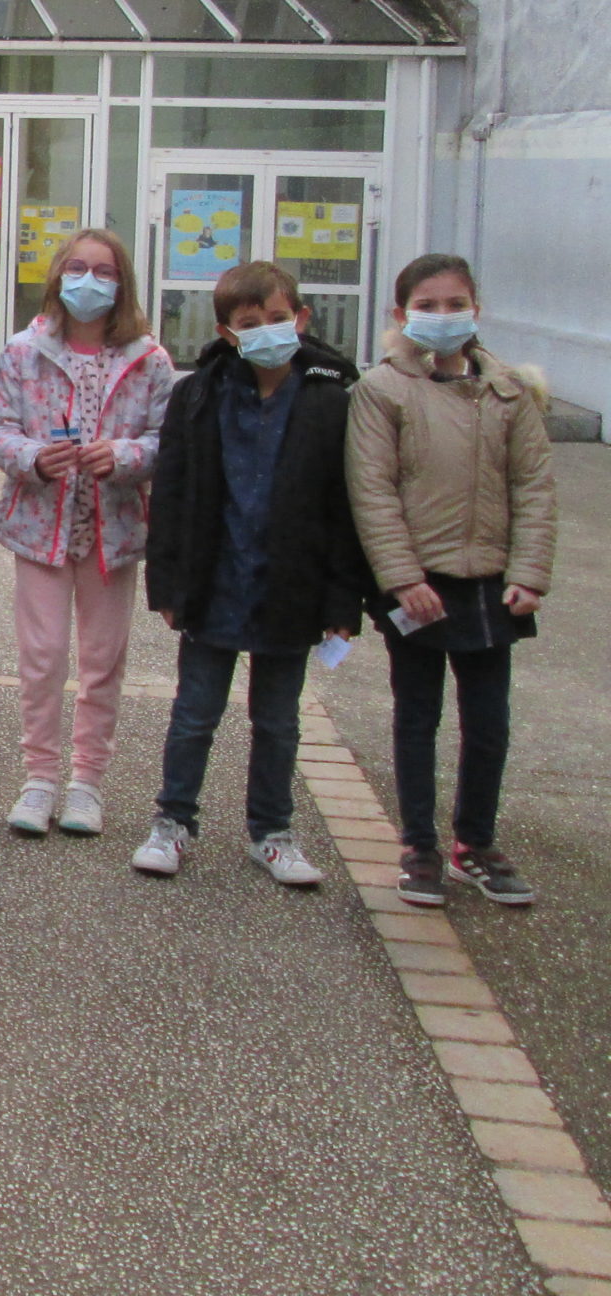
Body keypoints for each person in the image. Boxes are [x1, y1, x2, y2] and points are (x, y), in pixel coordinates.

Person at [133, 261, 367, 888]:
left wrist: (344, 600)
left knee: (278, 721)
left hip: (292, 589)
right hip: (214, 584)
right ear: (227, 332)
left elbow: (346, 507)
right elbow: (172, 492)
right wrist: (167, 585)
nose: (266, 330)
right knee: (194, 714)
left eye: (278, 318)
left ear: (301, 319)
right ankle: (173, 820)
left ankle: (272, 832)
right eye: (250, 322)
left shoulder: (330, 400)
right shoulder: (198, 395)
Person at [346, 255, 556, 908]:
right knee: (417, 718)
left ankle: (476, 843)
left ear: (476, 309)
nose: (443, 316)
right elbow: (372, 491)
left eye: (455, 303)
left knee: (489, 721)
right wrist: (402, 577)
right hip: (417, 585)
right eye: (428, 305)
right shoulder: (382, 390)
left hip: (491, 586)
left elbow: (534, 487)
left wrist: (529, 574)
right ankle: (419, 846)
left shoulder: (510, 392)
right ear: (401, 314)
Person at [0, 229, 175, 839]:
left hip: (113, 529)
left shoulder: (150, 358)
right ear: (58, 276)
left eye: (104, 271)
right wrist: (34, 458)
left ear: (122, 283)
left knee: (102, 660)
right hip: (41, 524)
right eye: (77, 267)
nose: (89, 281)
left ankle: (87, 782)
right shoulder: (23, 350)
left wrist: (123, 455)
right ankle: (39, 778)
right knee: (41, 657)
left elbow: (167, 440)